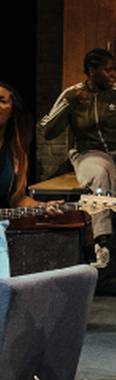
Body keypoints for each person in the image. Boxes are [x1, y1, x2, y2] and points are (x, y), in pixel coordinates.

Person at [41, 49, 116, 269]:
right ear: (92, 71)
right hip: (90, 152)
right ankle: (101, 243)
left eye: (114, 69)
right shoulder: (72, 94)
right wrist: (69, 104)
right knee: (99, 175)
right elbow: (48, 131)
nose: (114, 74)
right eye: (108, 70)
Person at [0, 82, 62, 275]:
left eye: (1, 101)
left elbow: (17, 199)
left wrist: (42, 207)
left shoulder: (16, 153)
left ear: (13, 110)